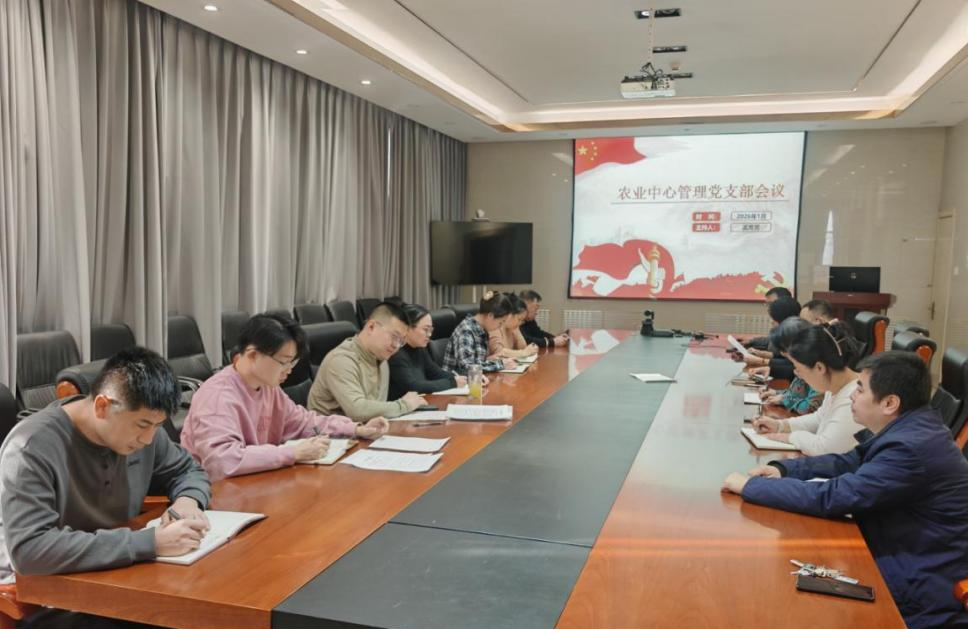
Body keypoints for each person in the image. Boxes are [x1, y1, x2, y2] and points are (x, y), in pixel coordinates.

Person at [723, 351, 968, 629]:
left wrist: (751, 487)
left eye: (860, 389)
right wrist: (784, 470)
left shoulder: (910, 448)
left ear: (889, 403)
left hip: (919, 593)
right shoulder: (912, 428)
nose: (852, 395)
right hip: (899, 559)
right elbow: (850, 461)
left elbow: (834, 497)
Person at [0, 347, 212, 584]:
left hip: (113, 569)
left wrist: (187, 500)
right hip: (38, 585)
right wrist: (149, 542)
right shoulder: (31, 447)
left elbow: (187, 470)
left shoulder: (146, 431)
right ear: (102, 406)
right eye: (142, 425)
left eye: (158, 425)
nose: (148, 439)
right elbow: (30, 550)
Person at [181, 313, 388, 480]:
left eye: (293, 362)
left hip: (256, 482)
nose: (289, 370)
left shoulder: (268, 387)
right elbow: (223, 462)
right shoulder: (218, 397)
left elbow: (303, 422)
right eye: (284, 362)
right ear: (253, 355)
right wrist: (292, 453)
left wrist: (356, 429)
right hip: (216, 495)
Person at [750, 321, 864, 455]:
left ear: (819, 368)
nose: (797, 374)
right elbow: (818, 419)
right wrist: (780, 426)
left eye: (799, 369)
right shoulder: (836, 387)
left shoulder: (854, 397)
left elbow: (825, 448)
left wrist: (787, 437)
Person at [308, 302, 426, 422]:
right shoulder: (341, 360)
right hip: (329, 432)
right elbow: (357, 411)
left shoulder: (382, 359)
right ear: (371, 327)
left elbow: (376, 411)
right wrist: (404, 405)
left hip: (365, 430)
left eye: (401, 341)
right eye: (394, 337)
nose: (396, 345)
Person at [388, 304, 469, 399]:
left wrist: (467, 377)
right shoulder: (395, 353)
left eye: (431, 330)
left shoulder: (419, 348)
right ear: (408, 328)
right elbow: (412, 386)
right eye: (425, 330)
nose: (429, 334)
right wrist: (452, 382)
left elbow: (436, 373)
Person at [759, 317, 824, 415]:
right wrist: (778, 393)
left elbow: (810, 408)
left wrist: (786, 400)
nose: (782, 353)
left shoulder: (815, 369)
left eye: (784, 349)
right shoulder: (802, 363)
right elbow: (796, 393)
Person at [443, 291, 517, 374]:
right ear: (490, 316)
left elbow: (476, 362)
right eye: (500, 322)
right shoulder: (466, 331)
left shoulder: (481, 330)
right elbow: (467, 368)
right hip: (456, 380)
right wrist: (500, 365)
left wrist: (490, 360)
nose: (500, 327)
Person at [742, 296, 801, 380]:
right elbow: (780, 354)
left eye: (774, 318)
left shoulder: (797, 336)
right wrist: (761, 353)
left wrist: (761, 360)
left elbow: (792, 366)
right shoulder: (785, 333)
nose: (772, 321)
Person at [488, 293, 538, 359]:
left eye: (522, 320)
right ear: (509, 314)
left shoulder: (511, 328)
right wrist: (524, 352)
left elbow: (522, 347)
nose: (520, 323)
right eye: (519, 319)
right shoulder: (495, 326)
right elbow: (499, 352)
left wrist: (516, 328)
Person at [746, 286, 793, 350]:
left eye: (771, 304)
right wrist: (751, 341)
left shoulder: (793, 326)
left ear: (784, 302)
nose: (768, 308)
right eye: (767, 304)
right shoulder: (779, 321)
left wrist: (761, 356)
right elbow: (771, 341)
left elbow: (784, 354)